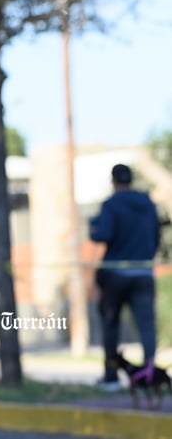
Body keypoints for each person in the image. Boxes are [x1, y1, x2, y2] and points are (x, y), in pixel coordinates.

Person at [89, 163, 160, 392]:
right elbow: (157, 236)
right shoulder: (148, 204)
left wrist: (93, 229)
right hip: (143, 272)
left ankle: (111, 376)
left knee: (111, 325)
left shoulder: (112, 204)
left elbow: (104, 235)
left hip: (116, 274)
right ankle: (149, 376)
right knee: (146, 326)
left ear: (114, 181)